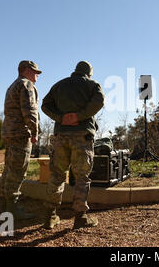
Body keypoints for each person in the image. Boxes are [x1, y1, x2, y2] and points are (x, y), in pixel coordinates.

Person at [41, 61, 104, 230]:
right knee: (82, 177)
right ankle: (80, 217)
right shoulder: (93, 85)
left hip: (61, 136)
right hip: (82, 136)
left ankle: (50, 217)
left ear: (75, 71)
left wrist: (61, 118)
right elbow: (99, 102)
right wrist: (80, 116)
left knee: (56, 175)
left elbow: (45, 105)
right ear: (89, 73)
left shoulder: (59, 85)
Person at [0, 60, 42, 219]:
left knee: (9, 169)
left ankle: (4, 205)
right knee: (18, 171)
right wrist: (35, 132)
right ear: (26, 70)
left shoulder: (13, 85)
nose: (37, 75)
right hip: (21, 134)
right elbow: (30, 112)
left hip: (10, 133)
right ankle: (12, 209)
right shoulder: (26, 85)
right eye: (35, 71)